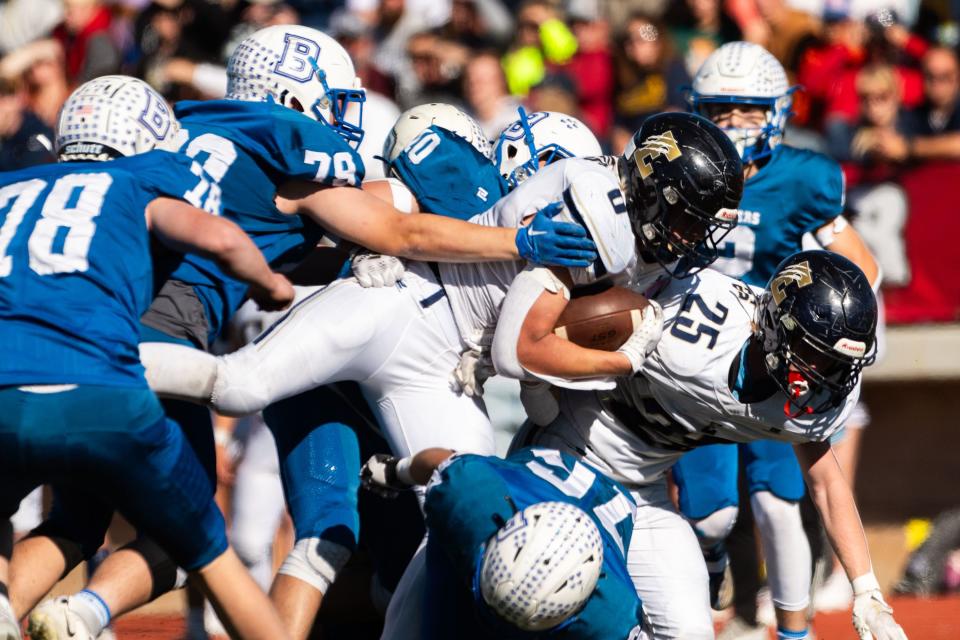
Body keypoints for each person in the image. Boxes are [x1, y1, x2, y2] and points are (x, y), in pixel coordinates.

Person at [21, 25, 596, 640]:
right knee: (206, 528)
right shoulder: (303, 154)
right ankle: (87, 613)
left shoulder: (180, 135)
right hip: (211, 336)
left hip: (77, 332)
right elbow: (396, 230)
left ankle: (37, 607)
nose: (337, 118)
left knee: (92, 520)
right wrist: (516, 241)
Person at [0, 97, 296, 640]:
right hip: (97, 391)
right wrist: (270, 283)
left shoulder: (10, 183)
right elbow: (223, 238)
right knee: (210, 553)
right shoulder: (138, 180)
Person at [516, 251, 906, 640]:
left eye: (835, 364)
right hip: (569, 456)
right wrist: (537, 385)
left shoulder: (815, 399)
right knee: (537, 601)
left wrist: (866, 589)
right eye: (814, 357)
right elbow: (570, 315)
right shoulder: (682, 318)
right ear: (774, 327)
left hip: (645, 490)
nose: (824, 378)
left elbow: (826, 483)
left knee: (690, 632)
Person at [676, 41, 880, 639]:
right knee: (712, 517)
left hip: (779, 358)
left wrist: (821, 329)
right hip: (697, 354)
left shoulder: (803, 178)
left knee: (778, 503)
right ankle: (713, 570)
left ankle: (794, 632)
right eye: (720, 109)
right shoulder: (687, 166)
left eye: (749, 109)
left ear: (779, 111)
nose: (734, 122)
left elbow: (861, 269)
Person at [360, 447, 644, 639]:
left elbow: (446, 464)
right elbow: (442, 461)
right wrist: (397, 470)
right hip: (545, 461)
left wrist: (399, 472)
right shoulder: (473, 501)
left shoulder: (611, 617)